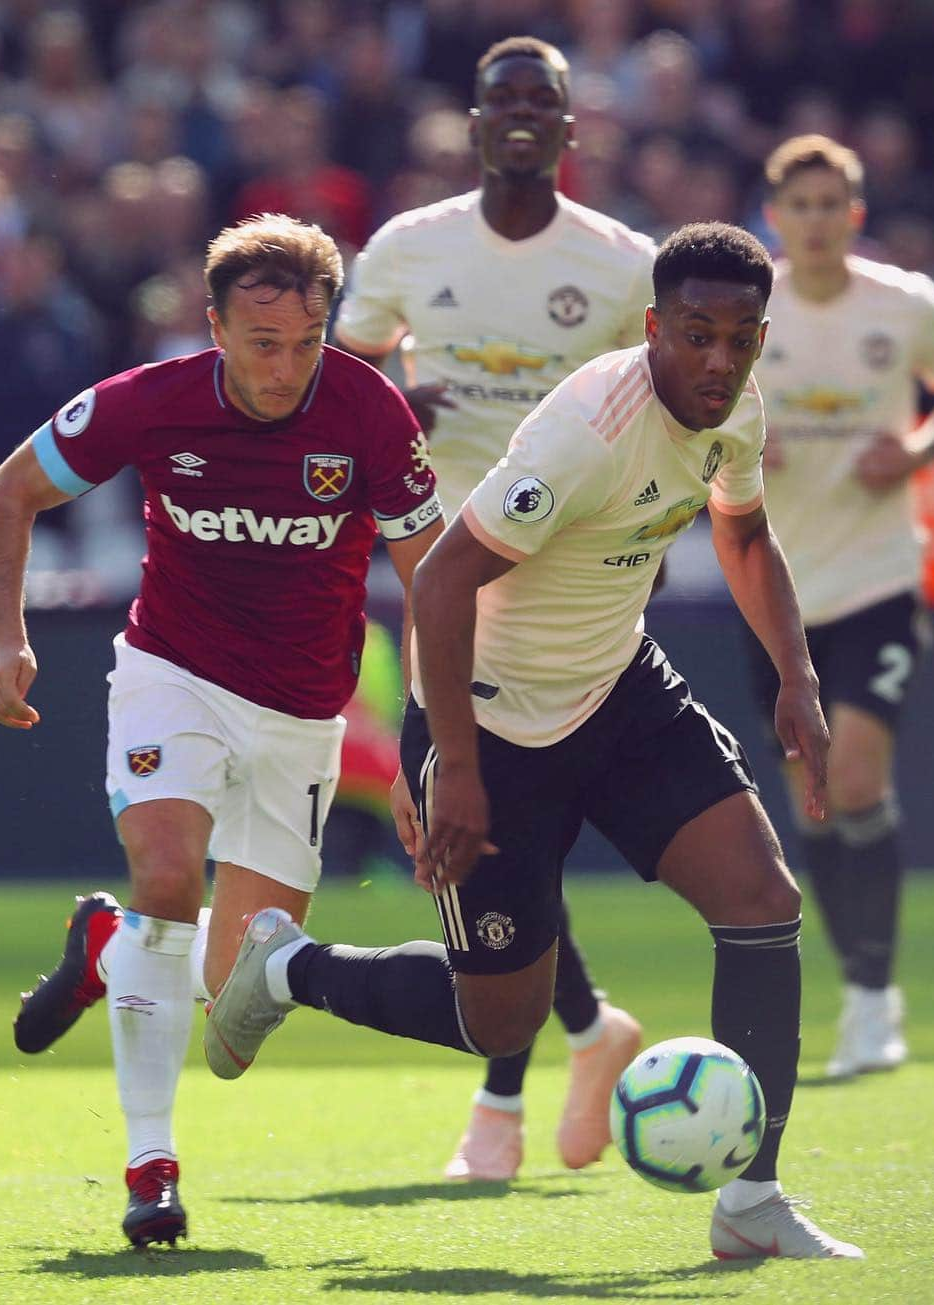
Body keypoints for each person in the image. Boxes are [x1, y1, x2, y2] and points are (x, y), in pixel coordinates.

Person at [205, 222, 865, 1261]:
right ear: (653, 327)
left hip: (618, 690)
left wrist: (796, 674)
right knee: (498, 1025)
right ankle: (288, 969)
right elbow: (443, 578)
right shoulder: (591, 428)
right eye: (695, 335)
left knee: (763, 902)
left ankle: (752, 1202)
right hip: (493, 717)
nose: (718, 360)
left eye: (741, 339)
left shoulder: (734, 402)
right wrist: (456, 765)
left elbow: (741, 530)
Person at [0, 213, 443, 1247]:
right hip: (171, 675)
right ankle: (152, 1166)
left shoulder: (371, 413)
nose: (286, 369)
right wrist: (5, 641)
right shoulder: (153, 401)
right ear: (215, 328)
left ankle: (108, 948)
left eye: (308, 343)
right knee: (170, 882)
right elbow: (11, 491)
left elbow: (430, 579)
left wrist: (426, 736)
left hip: (303, 715)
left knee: (235, 1021)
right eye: (263, 343)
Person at [332, 35, 653, 1183]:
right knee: (483, 831)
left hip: (570, 586)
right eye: (501, 98)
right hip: (444, 577)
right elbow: (334, 379)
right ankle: (579, 1035)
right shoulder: (412, 248)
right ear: (472, 123)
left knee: (503, 833)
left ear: (572, 130)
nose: (521, 114)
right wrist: (387, 401)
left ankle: (504, 1107)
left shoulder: (623, 265)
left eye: (543, 100)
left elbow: (657, 413)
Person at [750, 135, 934, 1079]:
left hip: (880, 579)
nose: (814, 221)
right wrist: (734, 441)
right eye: (798, 205)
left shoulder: (905, 305)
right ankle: (856, 979)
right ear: (776, 215)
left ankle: (873, 999)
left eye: (831, 204)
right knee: (813, 797)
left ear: (854, 215)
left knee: (852, 777)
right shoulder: (747, 308)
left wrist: (921, 451)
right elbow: (682, 406)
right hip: (773, 592)